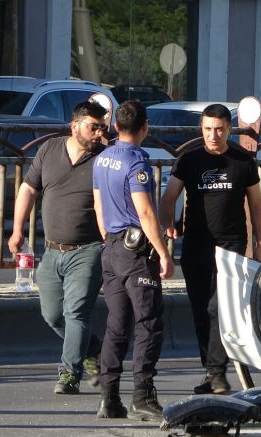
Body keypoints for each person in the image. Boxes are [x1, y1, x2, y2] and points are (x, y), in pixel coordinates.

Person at [160, 103, 261, 395]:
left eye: (219, 129)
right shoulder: (189, 159)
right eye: (208, 129)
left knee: (218, 308)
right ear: (201, 130)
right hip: (196, 243)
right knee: (199, 310)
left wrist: (260, 244)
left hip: (231, 243)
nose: (213, 135)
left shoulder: (242, 161)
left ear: (229, 129)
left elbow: (256, 206)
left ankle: (218, 373)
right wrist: (168, 225)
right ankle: (211, 370)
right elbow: (169, 197)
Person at [8, 100, 108, 395]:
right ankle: (92, 349)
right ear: (74, 125)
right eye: (94, 127)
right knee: (53, 315)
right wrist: (16, 231)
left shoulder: (103, 158)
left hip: (89, 250)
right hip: (51, 251)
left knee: (77, 312)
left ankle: (69, 373)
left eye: (102, 127)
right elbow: (28, 189)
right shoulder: (49, 150)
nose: (99, 133)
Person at [92, 100, 174, 419]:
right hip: (135, 251)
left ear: (115, 127)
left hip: (111, 248)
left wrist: (108, 241)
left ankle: (109, 397)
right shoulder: (136, 161)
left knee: (116, 325)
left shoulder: (102, 159)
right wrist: (164, 252)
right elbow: (144, 211)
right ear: (145, 128)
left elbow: (98, 206)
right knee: (149, 321)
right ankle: (142, 394)